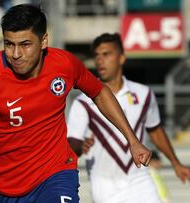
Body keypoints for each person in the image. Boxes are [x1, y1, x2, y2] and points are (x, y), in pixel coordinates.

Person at [0, 4, 151, 203]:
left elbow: (100, 92)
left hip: (57, 173)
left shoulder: (64, 64)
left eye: (25, 44)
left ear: (44, 41)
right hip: (10, 187)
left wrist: (132, 139)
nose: (16, 54)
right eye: (9, 45)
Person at [66, 33, 190, 203]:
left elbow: (155, 131)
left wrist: (176, 163)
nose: (100, 60)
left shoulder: (143, 93)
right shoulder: (83, 101)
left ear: (122, 58)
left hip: (140, 182)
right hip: (105, 187)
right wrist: (80, 147)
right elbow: (73, 144)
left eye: (107, 54)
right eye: (97, 55)